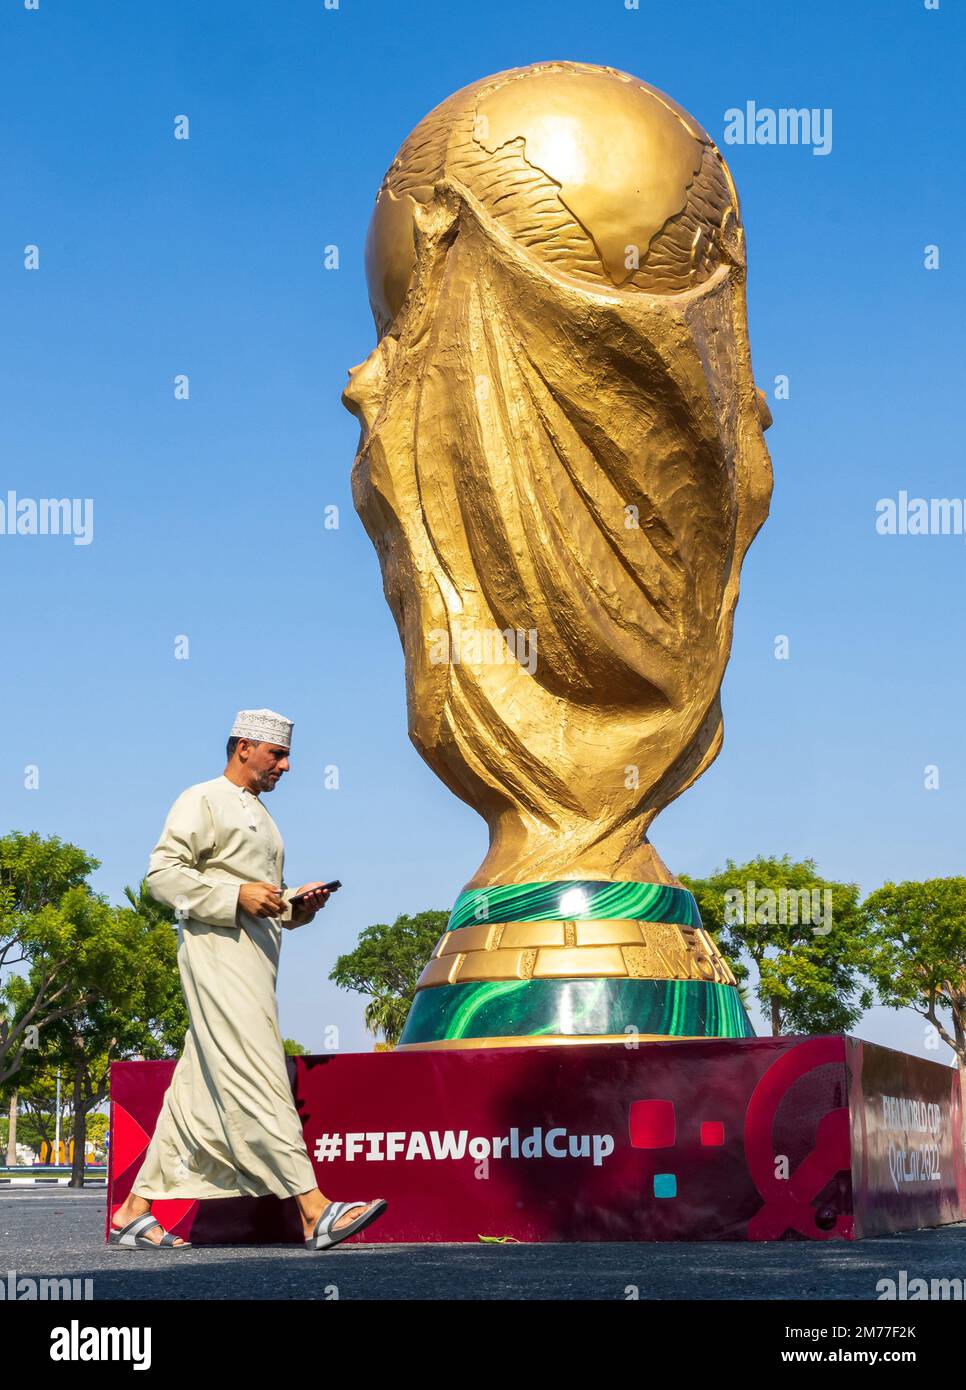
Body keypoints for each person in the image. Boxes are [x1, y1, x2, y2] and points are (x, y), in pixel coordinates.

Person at [109, 708, 386, 1251]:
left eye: (286, 756)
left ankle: (131, 1211)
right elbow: (161, 878)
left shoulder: (263, 815)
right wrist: (234, 895)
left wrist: (294, 908)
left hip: (256, 963)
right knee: (258, 1069)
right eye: (277, 754)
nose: (285, 766)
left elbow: (262, 901)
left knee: (198, 1089)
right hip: (216, 957)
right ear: (243, 748)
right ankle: (314, 1210)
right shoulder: (203, 798)